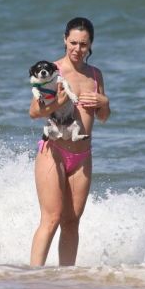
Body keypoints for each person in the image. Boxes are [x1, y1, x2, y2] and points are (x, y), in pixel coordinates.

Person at [29, 17, 111, 267]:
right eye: (73, 42)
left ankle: (67, 280)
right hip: (53, 152)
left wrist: (104, 103)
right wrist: (58, 102)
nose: (77, 49)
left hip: (82, 156)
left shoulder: (95, 75)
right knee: (51, 219)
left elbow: (103, 117)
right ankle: (32, 278)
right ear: (65, 40)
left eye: (83, 44)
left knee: (72, 221)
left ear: (91, 44)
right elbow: (34, 112)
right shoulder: (52, 71)